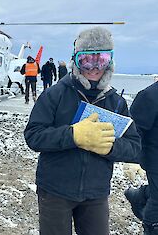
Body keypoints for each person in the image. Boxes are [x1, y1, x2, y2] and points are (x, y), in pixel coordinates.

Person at [24, 26, 141, 235]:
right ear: (76, 61)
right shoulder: (55, 94)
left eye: (101, 60)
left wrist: (108, 146)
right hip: (54, 190)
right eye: (86, 60)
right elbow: (33, 135)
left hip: (96, 193)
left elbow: (134, 147)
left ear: (109, 63)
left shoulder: (117, 102)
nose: (94, 67)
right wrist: (73, 136)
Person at [124, 81, 158, 235]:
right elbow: (134, 131)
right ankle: (151, 227)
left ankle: (140, 195)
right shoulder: (149, 95)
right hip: (154, 156)